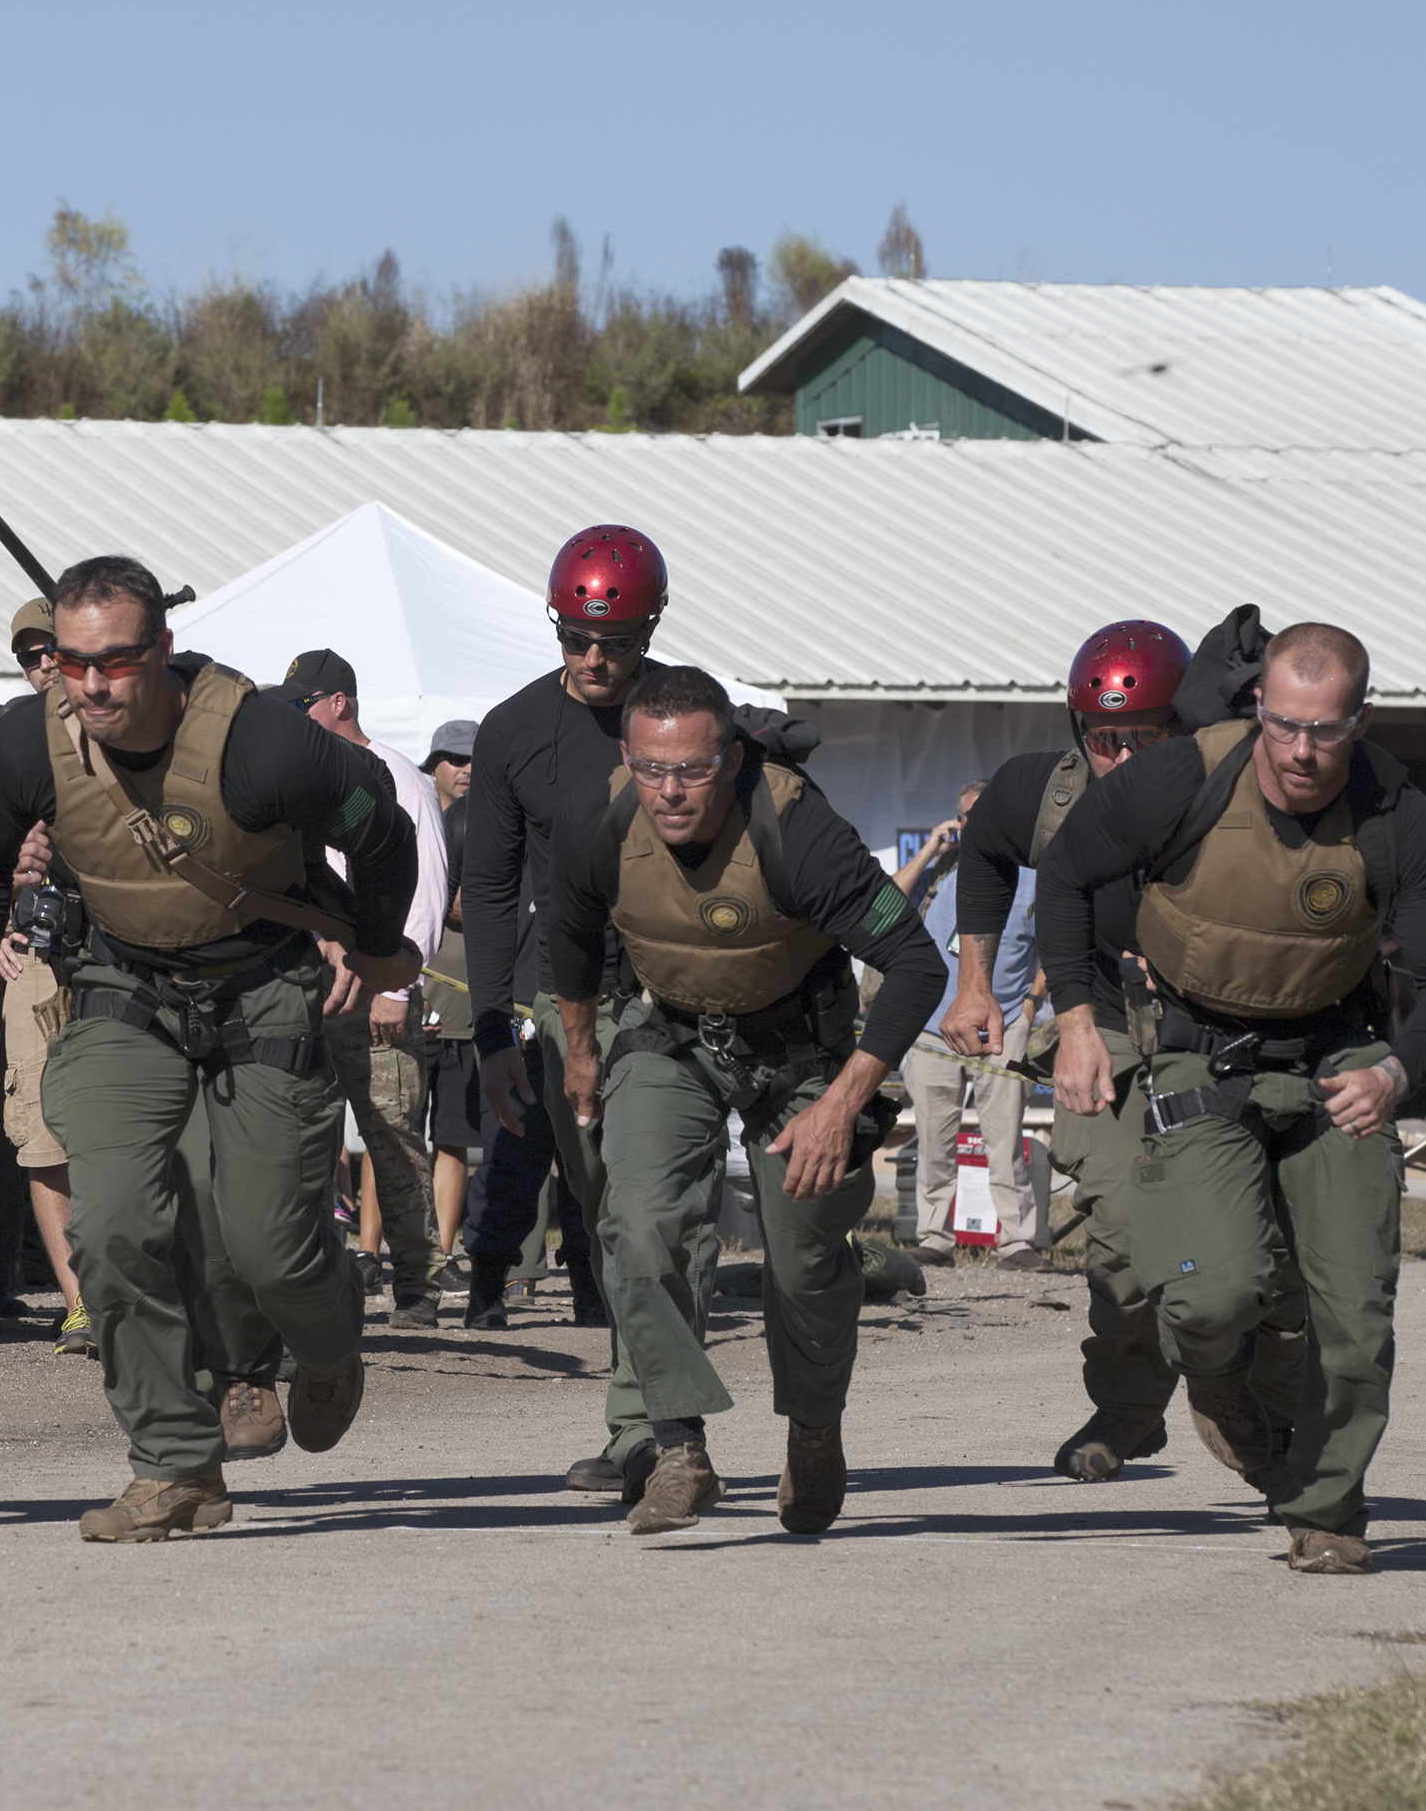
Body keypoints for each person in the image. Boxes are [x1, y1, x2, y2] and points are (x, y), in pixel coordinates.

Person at [0, 556, 418, 1544]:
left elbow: (382, 826)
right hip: (122, 986)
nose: (95, 685)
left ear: (160, 650)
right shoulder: (33, 740)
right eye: (73, 663)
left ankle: (328, 1347)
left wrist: (372, 946)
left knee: (270, 1245)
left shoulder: (263, 743)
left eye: (116, 660)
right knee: (112, 1229)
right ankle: (173, 1463)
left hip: (263, 983)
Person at [1040, 623, 1426, 1576]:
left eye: (1326, 731)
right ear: (1259, 712)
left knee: (1354, 1320)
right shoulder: (1177, 781)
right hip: (1202, 1056)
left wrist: (1397, 1074)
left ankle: (1326, 1510)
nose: (1304, 753)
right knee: (1209, 1299)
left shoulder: (1397, 817)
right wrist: (1077, 1019)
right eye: (1284, 727)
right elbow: (1067, 872)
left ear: (1361, 720)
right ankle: (1219, 1383)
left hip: (1339, 1060)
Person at [551, 667, 945, 1532]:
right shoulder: (599, 819)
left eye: (692, 768)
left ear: (730, 759)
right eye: (652, 768)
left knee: (803, 1257)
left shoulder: (797, 827)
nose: (671, 791)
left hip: (803, 1053)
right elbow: (570, 941)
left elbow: (919, 966)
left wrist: (842, 1103)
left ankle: (813, 1428)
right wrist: (581, 1051)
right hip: (674, 1038)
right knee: (640, 1219)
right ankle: (677, 1445)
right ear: (628, 756)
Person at [948, 619, 1293, 1484]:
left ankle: (1257, 1399)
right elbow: (986, 850)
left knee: (1251, 1245)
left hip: (1220, 1032)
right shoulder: (1047, 793)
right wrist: (976, 981)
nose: (1122, 760)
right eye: (1104, 739)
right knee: (1120, 1227)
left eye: (1143, 740)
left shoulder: (1228, 791)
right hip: (1098, 1020)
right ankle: (1130, 1407)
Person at [461, 525, 663, 1478]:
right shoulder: (512, 732)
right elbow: (493, 893)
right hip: (572, 1008)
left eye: (615, 642)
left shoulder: (686, 718)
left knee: (647, 1219)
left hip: (682, 1001)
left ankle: (648, 1430)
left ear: (650, 630)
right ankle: (646, 1427)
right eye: (575, 638)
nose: (593, 660)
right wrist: (493, 1032)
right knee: (607, 1214)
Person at [278, 650, 450, 1329]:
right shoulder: (300, 777)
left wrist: (397, 986)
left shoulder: (398, 776)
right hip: (312, 987)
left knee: (393, 1134)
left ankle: (419, 1284)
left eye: (305, 703)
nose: (298, 716)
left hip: (377, 985)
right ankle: (321, 1277)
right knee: (304, 1138)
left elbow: (428, 887)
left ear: (339, 702)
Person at [0, 598, 93, 1357]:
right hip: (34, 957)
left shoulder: (135, 730)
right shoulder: (7, 741)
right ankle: (82, 1305)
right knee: (41, 1136)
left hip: (122, 955)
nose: (44, 666)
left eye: (53, 650)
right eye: (30, 655)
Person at [899, 781, 1051, 1270]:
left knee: (1005, 1142)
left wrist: (1028, 1007)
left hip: (1002, 1026)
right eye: (967, 817)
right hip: (929, 1028)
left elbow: (1056, 947)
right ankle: (934, 1238)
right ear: (957, 822)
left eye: (985, 815)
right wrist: (928, 849)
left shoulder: (1035, 876)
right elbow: (884, 900)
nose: (975, 824)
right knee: (932, 1141)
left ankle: (1017, 1243)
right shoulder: (942, 868)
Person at [418, 719, 479, 1297]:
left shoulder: (490, 824)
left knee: (453, 1135)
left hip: (465, 1004)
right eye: (454, 757)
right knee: (394, 1131)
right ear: (432, 761)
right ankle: (369, 1249)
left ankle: (442, 1250)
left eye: (473, 759)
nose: (465, 768)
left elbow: (477, 903)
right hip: (404, 998)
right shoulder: (411, 815)